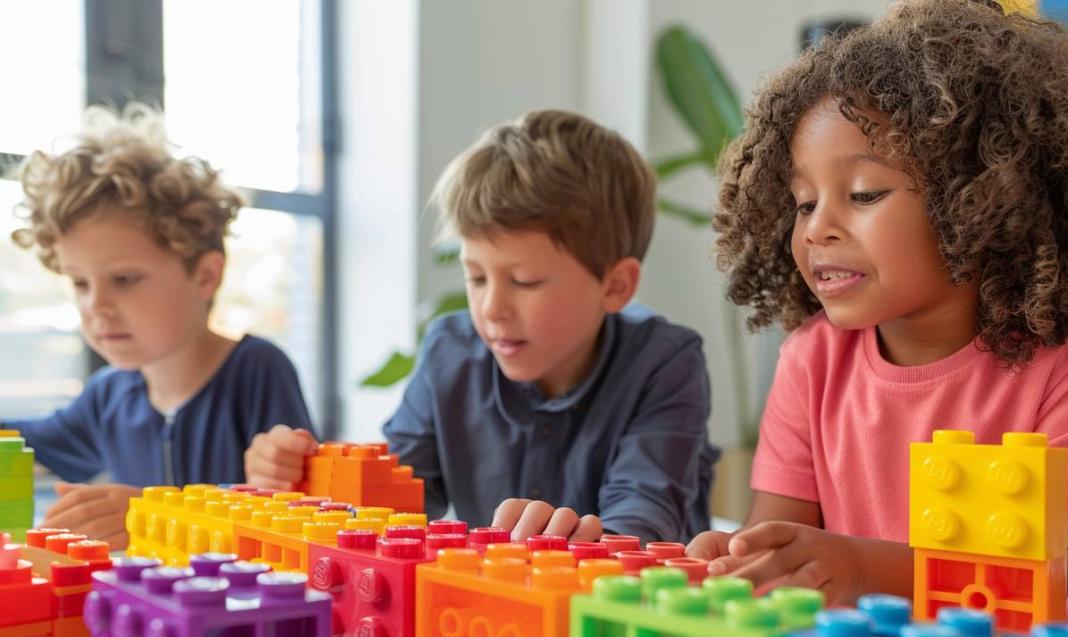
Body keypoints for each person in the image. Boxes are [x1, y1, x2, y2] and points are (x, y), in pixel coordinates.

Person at [685, 0, 1068, 605]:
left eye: (864, 192)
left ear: (981, 202)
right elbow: (778, 542)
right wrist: (741, 557)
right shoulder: (811, 361)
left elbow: (1037, 581)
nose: (816, 228)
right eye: (802, 202)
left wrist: (854, 566)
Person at [245, 110, 718, 543]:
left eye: (524, 281)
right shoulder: (450, 350)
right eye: (475, 276)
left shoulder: (664, 364)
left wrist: (578, 548)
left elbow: (643, 522)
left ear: (615, 286)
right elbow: (393, 502)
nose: (492, 308)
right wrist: (298, 481)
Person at [4, 105, 314, 546]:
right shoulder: (108, 395)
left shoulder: (258, 371)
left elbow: (298, 519)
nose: (97, 305)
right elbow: (26, 439)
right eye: (79, 283)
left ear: (205, 276)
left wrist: (154, 515)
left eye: (125, 279)